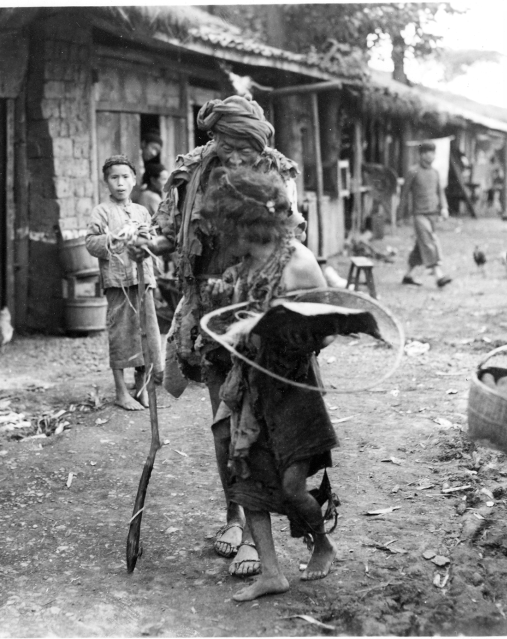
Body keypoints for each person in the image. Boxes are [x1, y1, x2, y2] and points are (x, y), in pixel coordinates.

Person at [128, 95, 307, 577]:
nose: (233, 157)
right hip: (208, 311)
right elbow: (167, 234)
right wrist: (145, 241)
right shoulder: (192, 172)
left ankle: (259, 536)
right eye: (225, 145)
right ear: (214, 138)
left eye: (242, 148)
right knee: (224, 427)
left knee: (260, 427)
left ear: (257, 143)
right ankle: (234, 519)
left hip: (260, 311)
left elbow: (293, 238)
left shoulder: (276, 171)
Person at [201, 167, 339, 601]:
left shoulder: (298, 261)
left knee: (291, 486)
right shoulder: (243, 264)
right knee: (247, 479)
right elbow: (236, 314)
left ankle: (321, 540)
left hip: (293, 385)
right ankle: (272, 571)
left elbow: (328, 330)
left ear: (252, 224)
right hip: (251, 384)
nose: (227, 239)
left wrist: (285, 331)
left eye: (234, 229)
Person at [85, 155, 160, 411]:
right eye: (114, 178)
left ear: (134, 180)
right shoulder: (102, 211)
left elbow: (154, 243)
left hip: (143, 280)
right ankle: (120, 391)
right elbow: (91, 243)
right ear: (106, 181)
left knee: (146, 333)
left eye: (125, 177)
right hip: (118, 281)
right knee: (121, 334)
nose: (120, 183)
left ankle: (142, 388)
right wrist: (114, 237)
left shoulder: (141, 210)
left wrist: (146, 237)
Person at [398, 142, 452, 288]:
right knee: (429, 242)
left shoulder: (435, 173)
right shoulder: (413, 171)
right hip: (418, 214)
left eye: (433, 153)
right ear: (421, 154)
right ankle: (438, 274)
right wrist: (400, 214)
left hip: (432, 214)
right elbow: (404, 194)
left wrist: (444, 207)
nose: (431, 156)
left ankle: (408, 275)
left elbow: (440, 192)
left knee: (420, 246)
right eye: (428, 152)